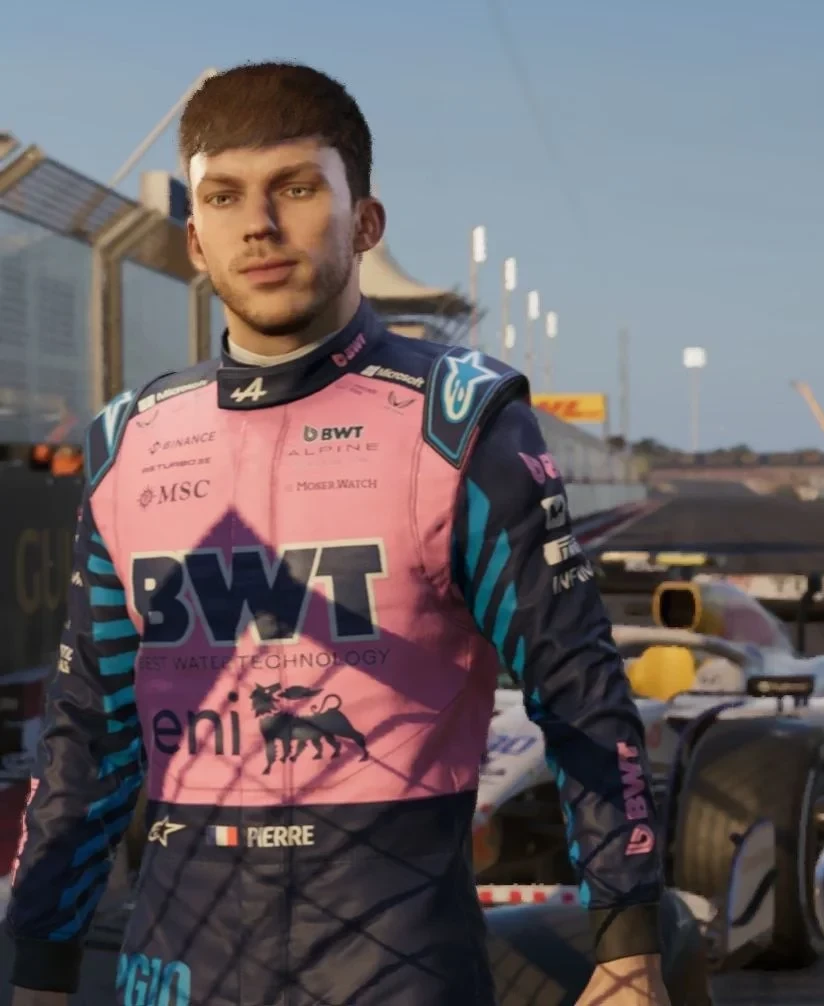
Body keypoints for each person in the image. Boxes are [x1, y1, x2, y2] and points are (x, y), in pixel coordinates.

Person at [4, 63, 671, 1006]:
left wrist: (628, 941)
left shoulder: (461, 421)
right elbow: (90, 729)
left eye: (296, 188)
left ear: (365, 222)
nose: (259, 225)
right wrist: (40, 965)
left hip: (399, 971)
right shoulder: (129, 440)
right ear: (194, 240)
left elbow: (577, 690)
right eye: (225, 197)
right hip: (174, 969)